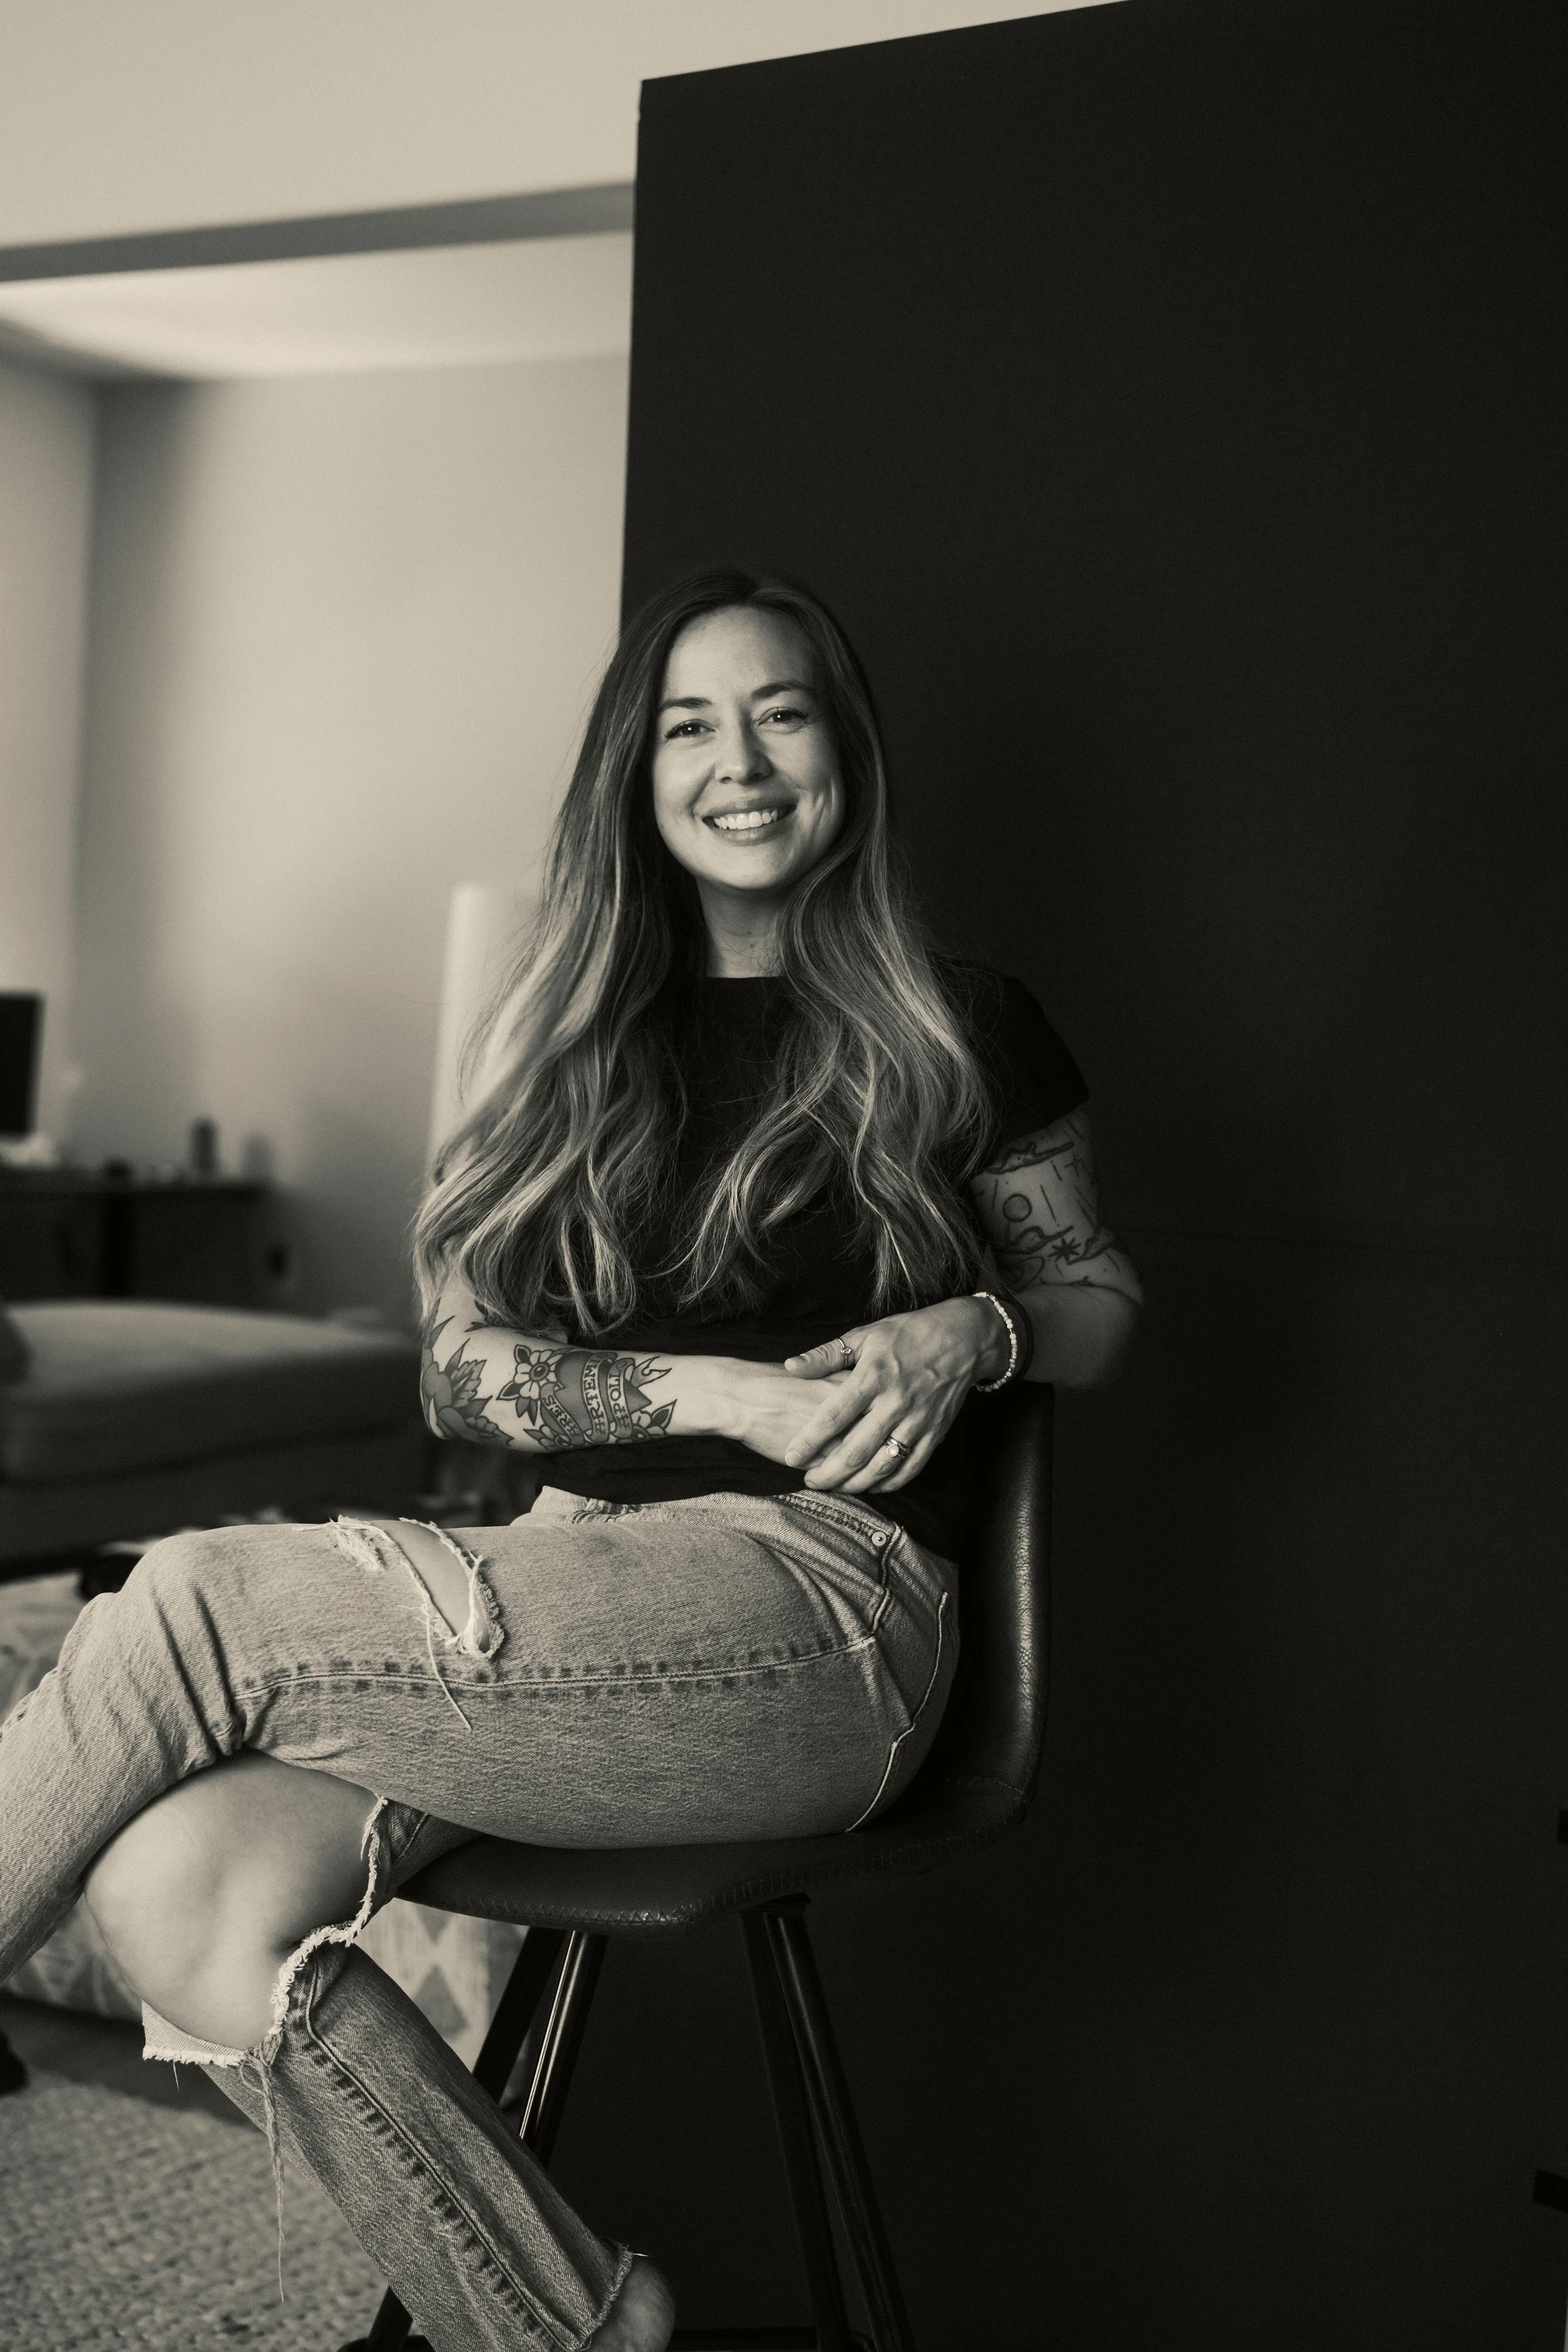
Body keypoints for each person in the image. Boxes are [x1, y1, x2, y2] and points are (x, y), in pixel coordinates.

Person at [0, 569, 1142, 2352]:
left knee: (195, 1600)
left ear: (844, 749)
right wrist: (722, 1395)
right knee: (175, 1888)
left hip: (827, 1616)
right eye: (689, 725)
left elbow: (1099, 1301)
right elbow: (466, 1374)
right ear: (637, 771)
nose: (738, 760)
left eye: (780, 712)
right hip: (561, 1589)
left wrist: (971, 1331)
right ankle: (574, 2324)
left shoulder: (958, 1024)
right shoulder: (563, 1038)